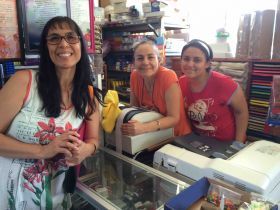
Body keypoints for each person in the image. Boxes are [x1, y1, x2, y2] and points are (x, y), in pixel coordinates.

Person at [0, 16, 103, 209]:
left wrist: (84, 151)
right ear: (46, 48)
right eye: (54, 38)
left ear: (81, 44)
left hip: (55, 199)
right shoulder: (24, 82)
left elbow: (94, 140)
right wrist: (43, 151)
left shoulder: (89, 96)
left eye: (71, 37)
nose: (64, 44)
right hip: (7, 196)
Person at [179, 39, 248, 142]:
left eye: (197, 60)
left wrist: (238, 143)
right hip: (197, 141)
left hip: (226, 143)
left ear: (207, 63)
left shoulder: (226, 84)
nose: (190, 64)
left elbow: (241, 113)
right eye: (186, 59)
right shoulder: (180, 83)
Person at [121, 40, 191, 137]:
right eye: (140, 58)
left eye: (150, 57)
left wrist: (143, 128)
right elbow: (134, 108)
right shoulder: (134, 75)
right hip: (153, 136)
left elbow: (174, 118)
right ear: (134, 62)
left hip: (177, 136)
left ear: (159, 60)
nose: (145, 62)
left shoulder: (168, 76)